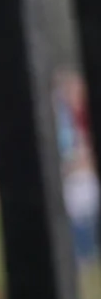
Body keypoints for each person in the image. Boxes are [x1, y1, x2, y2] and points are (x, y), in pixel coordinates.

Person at [53, 68, 99, 264]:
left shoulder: (81, 115)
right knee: (77, 210)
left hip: (83, 171)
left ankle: (87, 252)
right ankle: (82, 253)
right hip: (73, 172)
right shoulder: (63, 117)